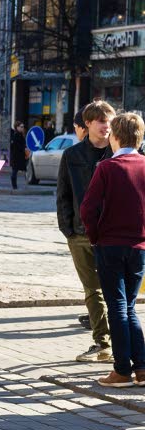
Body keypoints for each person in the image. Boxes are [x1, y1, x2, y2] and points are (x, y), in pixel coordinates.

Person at [79, 111, 145, 387]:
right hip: (139, 247)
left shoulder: (106, 168)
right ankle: (142, 368)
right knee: (129, 306)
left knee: (117, 306)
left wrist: (95, 237)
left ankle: (121, 371)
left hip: (110, 245)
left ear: (115, 137)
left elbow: (87, 209)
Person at [57, 100, 116, 365]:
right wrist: (68, 229)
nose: (106, 126)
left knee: (115, 289)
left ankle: (119, 343)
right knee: (93, 290)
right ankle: (102, 343)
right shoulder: (72, 155)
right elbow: (63, 194)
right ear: (88, 123)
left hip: (112, 234)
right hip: (80, 234)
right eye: (101, 121)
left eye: (110, 121)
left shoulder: (118, 153)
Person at [9, 121, 29, 190]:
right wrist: (23, 149)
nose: (23, 128)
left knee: (23, 170)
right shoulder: (16, 135)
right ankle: (14, 186)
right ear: (17, 127)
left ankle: (21, 185)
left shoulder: (21, 135)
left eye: (23, 127)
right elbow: (15, 146)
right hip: (16, 156)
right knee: (15, 171)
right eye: (21, 127)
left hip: (20, 156)